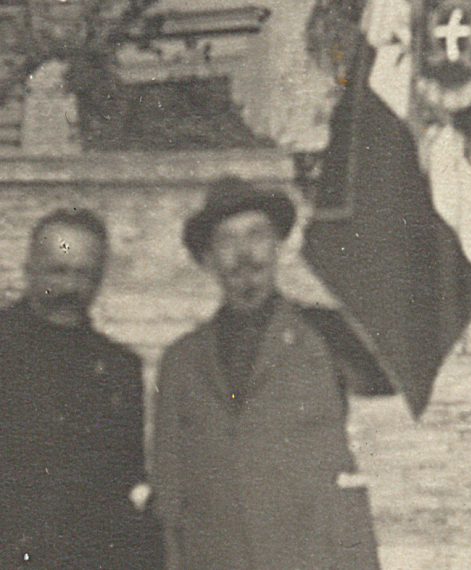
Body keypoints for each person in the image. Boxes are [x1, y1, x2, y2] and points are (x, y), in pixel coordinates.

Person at [153, 177, 388, 570]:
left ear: (278, 246)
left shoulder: (326, 333)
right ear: (208, 257)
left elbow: (393, 374)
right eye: (227, 240)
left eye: (257, 235)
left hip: (313, 556)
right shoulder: (181, 360)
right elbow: (168, 490)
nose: (245, 254)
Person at [0, 208, 163, 570]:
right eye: (57, 271)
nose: (70, 288)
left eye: (84, 274)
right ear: (29, 270)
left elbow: (127, 481)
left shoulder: (119, 368)